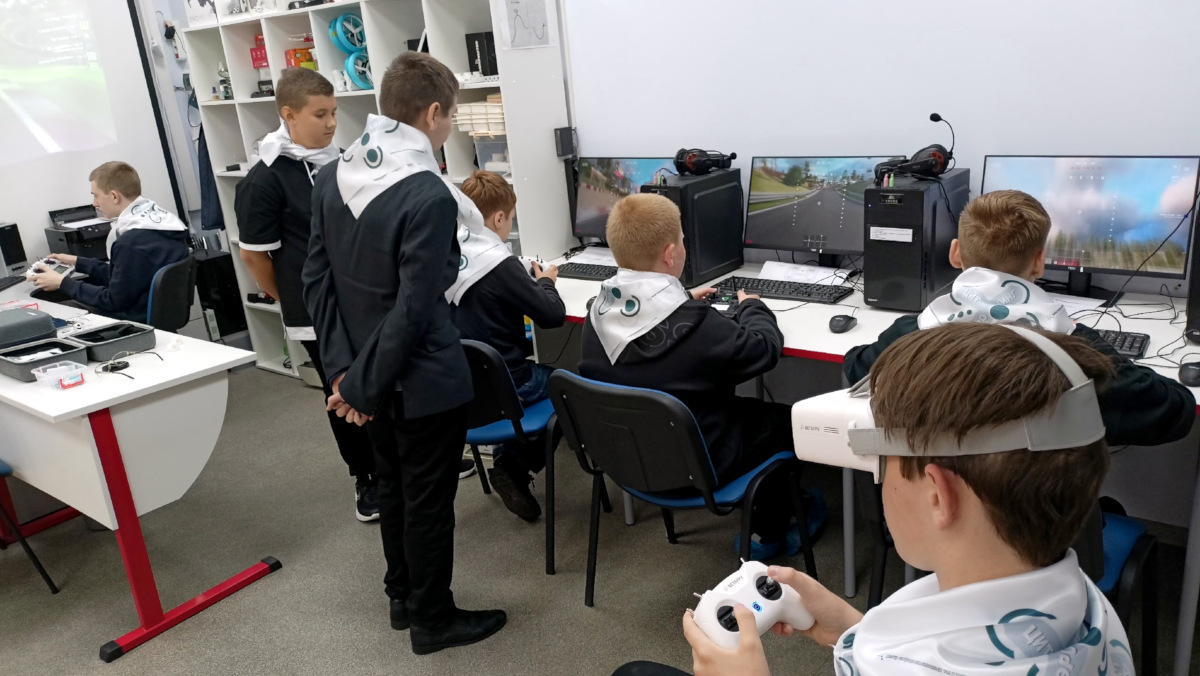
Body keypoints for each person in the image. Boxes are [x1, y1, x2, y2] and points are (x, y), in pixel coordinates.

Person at [616, 322, 1134, 676]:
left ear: (938, 495)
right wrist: (854, 630)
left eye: (881, 465)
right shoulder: (1088, 605)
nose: (879, 480)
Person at [302, 51, 505, 655]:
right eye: (452, 117)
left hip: (362, 371)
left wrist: (345, 374)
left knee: (391, 485)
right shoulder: (428, 194)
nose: (450, 127)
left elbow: (317, 281)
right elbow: (415, 310)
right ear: (434, 112)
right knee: (428, 502)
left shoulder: (333, 176)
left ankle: (402, 597)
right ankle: (433, 620)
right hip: (421, 379)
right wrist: (360, 386)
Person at [844, 189, 1195, 447]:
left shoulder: (911, 336)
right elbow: (1175, 410)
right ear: (1039, 263)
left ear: (955, 253)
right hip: (1041, 519)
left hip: (933, 515)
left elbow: (856, 368)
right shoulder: (1078, 354)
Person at [578, 193, 819, 558]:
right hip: (700, 465)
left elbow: (649, 331)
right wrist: (752, 307)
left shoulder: (597, 312)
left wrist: (682, 301)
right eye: (683, 241)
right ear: (670, 254)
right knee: (786, 421)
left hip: (629, 463)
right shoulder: (699, 327)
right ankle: (768, 532)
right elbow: (764, 349)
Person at [234, 67, 383, 522]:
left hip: (360, 297)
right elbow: (254, 256)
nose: (332, 123)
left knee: (381, 380)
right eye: (320, 115)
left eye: (334, 112)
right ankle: (366, 477)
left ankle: (401, 462)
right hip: (316, 310)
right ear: (289, 114)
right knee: (343, 393)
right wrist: (294, 299)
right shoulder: (264, 180)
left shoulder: (339, 162)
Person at [451, 169, 565, 521]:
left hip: (461, 389)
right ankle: (514, 463)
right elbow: (552, 315)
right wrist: (546, 282)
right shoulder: (497, 263)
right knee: (568, 387)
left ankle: (509, 463)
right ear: (499, 218)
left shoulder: (447, 252)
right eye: (510, 219)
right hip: (510, 383)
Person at [29, 162, 188, 321]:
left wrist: (62, 283)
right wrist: (78, 262)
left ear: (114, 196)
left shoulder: (130, 243)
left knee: (52, 312)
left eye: (95, 195)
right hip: (152, 311)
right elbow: (127, 277)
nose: (94, 203)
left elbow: (112, 301)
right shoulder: (163, 224)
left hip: (133, 318)